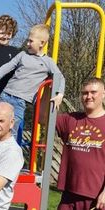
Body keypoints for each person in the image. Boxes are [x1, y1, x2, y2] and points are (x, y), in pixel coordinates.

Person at [0, 24, 65, 138]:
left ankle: (8, 155)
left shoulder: (48, 62)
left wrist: (60, 94)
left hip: (20, 102)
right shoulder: (22, 55)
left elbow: (60, 77)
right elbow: (8, 66)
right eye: (27, 40)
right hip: (5, 95)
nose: (27, 44)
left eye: (31, 41)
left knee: (12, 132)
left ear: (42, 43)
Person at [56, 77, 105, 210]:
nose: (88, 96)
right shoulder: (70, 119)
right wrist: (52, 93)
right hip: (68, 194)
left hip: (96, 198)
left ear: (103, 94)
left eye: (93, 92)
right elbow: (44, 118)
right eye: (85, 93)